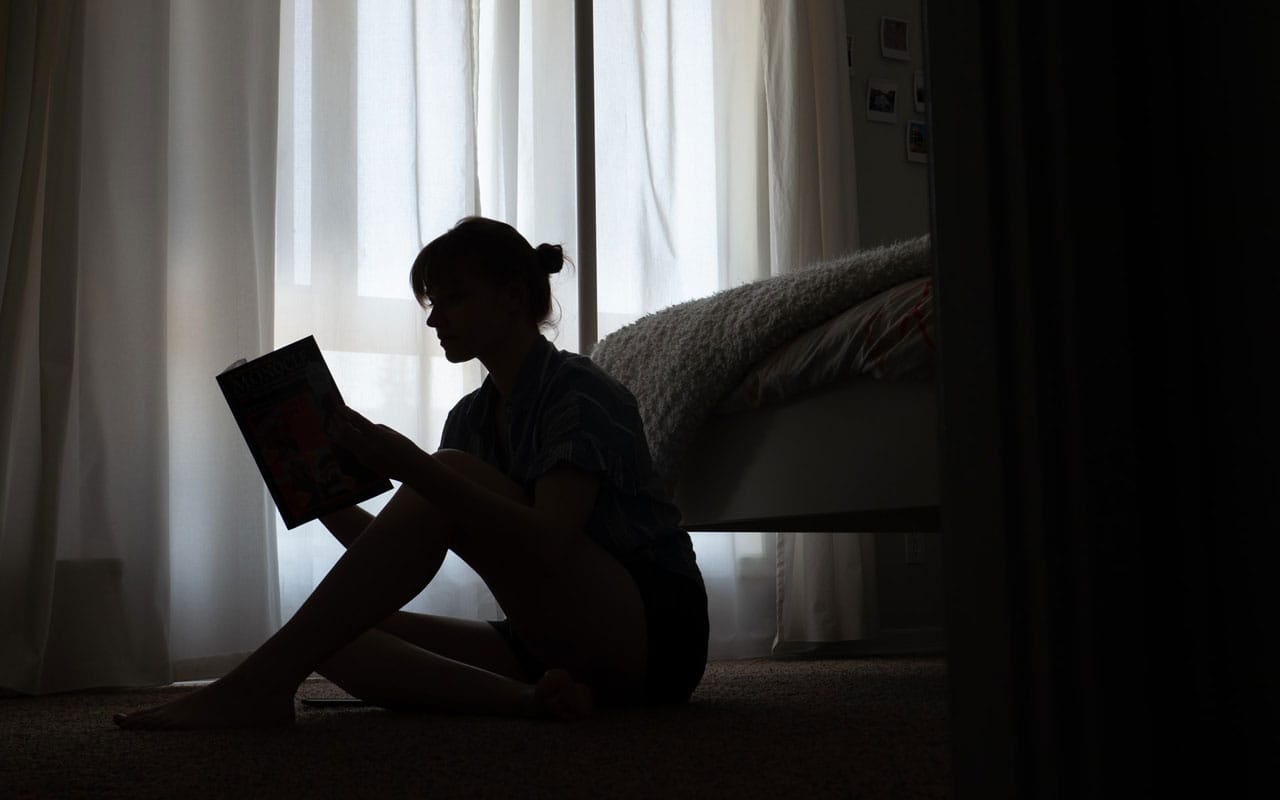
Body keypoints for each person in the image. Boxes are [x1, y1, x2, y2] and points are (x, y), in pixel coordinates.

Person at [115, 217, 709, 729]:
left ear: (511, 295)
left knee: (445, 474)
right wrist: (314, 480)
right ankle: (532, 701)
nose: (434, 322)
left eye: (452, 299)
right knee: (333, 636)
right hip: (550, 643)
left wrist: (412, 466)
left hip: (650, 637)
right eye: (432, 304)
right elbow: (400, 548)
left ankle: (255, 686)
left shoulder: (579, 393)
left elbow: (551, 541)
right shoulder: (472, 418)